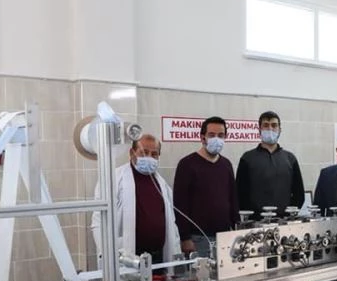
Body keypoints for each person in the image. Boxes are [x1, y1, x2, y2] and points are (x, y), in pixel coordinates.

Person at [91, 133, 180, 271]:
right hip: (128, 255)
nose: (149, 157)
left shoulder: (161, 183)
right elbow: (99, 221)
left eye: (154, 154)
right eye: (144, 153)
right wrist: (108, 252)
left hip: (158, 257)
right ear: (132, 153)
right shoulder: (113, 179)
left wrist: (176, 249)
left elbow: (171, 223)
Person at [173, 116, 238, 257]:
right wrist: (185, 238)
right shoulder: (187, 164)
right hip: (197, 238)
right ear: (203, 138)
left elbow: (233, 199)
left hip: (224, 236)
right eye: (212, 135)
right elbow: (180, 205)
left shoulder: (226, 164)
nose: (217, 139)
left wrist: (236, 229)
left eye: (221, 135)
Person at [236, 111, 305, 217]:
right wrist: (252, 217)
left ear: (280, 130)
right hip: (256, 222)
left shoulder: (290, 159)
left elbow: (299, 194)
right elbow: (240, 193)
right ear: (259, 129)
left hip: (285, 221)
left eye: (274, 125)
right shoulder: (247, 158)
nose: (270, 129)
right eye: (266, 125)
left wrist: (288, 215)